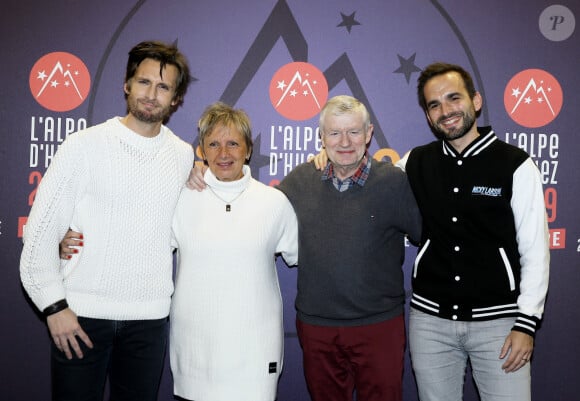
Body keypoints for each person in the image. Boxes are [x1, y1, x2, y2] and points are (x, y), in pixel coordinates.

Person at [188, 95, 422, 401]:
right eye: (335, 133)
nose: (345, 141)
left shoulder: (394, 182)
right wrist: (198, 172)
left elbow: (427, 236)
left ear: (368, 134)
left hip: (378, 326)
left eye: (353, 131)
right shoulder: (300, 180)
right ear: (321, 137)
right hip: (317, 327)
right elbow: (251, 209)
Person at [20, 40, 194, 401]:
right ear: (127, 84)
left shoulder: (182, 155)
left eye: (163, 87)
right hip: (80, 317)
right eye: (144, 82)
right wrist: (54, 308)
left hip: (149, 322)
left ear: (175, 99)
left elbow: (175, 228)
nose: (151, 94)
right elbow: (38, 234)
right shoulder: (83, 145)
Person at [400, 62, 550, 401]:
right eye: (434, 105)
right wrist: (329, 159)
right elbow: (371, 188)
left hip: (499, 324)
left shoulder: (515, 164)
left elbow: (536, 251)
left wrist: (526, 324)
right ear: (427, 115)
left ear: (476, 101)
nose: (445, 111)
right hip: (429, 323)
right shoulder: (414, 162)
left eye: (453, 98)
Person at [169, 102, 298, 401]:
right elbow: (145, 247)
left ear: (248, 149)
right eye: (213, 144)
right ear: (201, 149)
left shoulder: (274, 203)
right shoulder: (180, 198)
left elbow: (306, 256)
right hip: (195, 352)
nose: (223, 154)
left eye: (233, 144)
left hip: (255, 352)